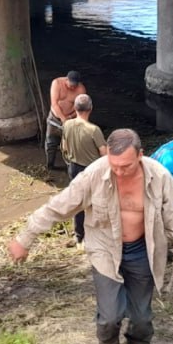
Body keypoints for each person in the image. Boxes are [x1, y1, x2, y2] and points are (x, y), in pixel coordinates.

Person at [8, 129, 173, 344]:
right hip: (105, 251)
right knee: (110, 316)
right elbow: (58, 206)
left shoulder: (160, 178)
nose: (119, 172)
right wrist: (24, 238)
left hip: (143, 251)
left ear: (141, 156)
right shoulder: (95, 174)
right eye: (115, 165)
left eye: (127, 166)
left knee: (142, 317)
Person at [61, 94, 107, 245]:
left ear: (75, 108)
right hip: (92, 170)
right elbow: (104, 153)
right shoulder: (94, 130)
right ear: (91, 109)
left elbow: (64, 146)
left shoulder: (67, 125)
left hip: (73, 168)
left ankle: (79, 235)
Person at [45, 70, 87, 170]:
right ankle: (49, 165)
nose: (73, 88)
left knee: (70, 146)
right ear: (66, 80)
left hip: (71, 119)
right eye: (71, 85)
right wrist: (63, 118)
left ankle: (71, 168)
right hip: (54, 119)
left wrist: (69, 118)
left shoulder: (81, 90)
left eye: (75, 86)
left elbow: (80, 109)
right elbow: (54, 103)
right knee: (51, 142)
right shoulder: (57, 83)